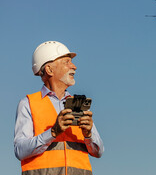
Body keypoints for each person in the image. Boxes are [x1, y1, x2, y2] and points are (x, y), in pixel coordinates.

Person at [14, 41, 104, 175]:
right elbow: (20, 150)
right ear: (49, 70)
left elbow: (98, 152)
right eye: (66, 62)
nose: (74, 66)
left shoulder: (78, 105)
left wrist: (89, 135)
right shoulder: (28, 103)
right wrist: (53, 133)